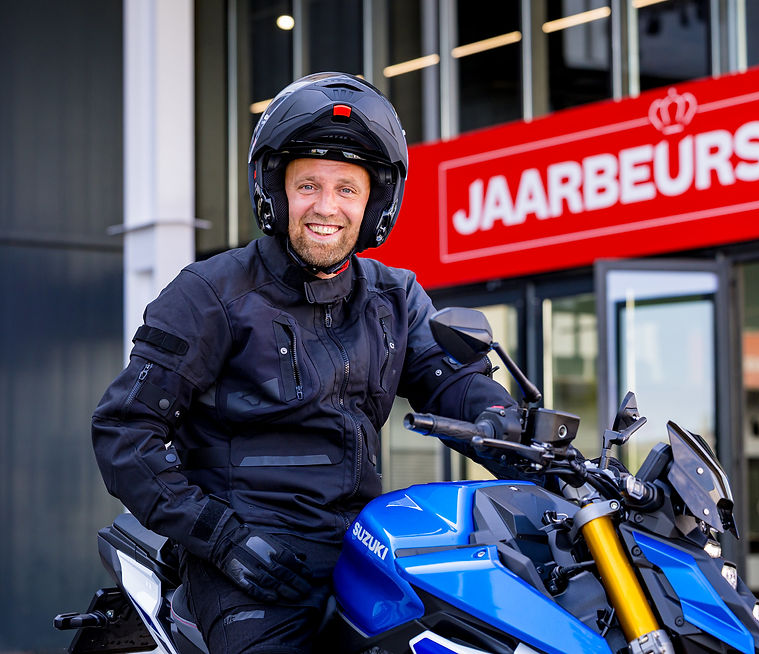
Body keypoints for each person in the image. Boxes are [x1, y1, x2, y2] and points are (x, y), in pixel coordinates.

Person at [91, 72, 518, 654]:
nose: (327, 207)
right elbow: (125, 429)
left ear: (374, 204)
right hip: (248, 563)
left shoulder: (396, 297)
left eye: (347, 188)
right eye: (309, 184)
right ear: (276, 190)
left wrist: (509, 423)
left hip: (366, 547)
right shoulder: (209, 294)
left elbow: (455, 383)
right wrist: (221, 539)